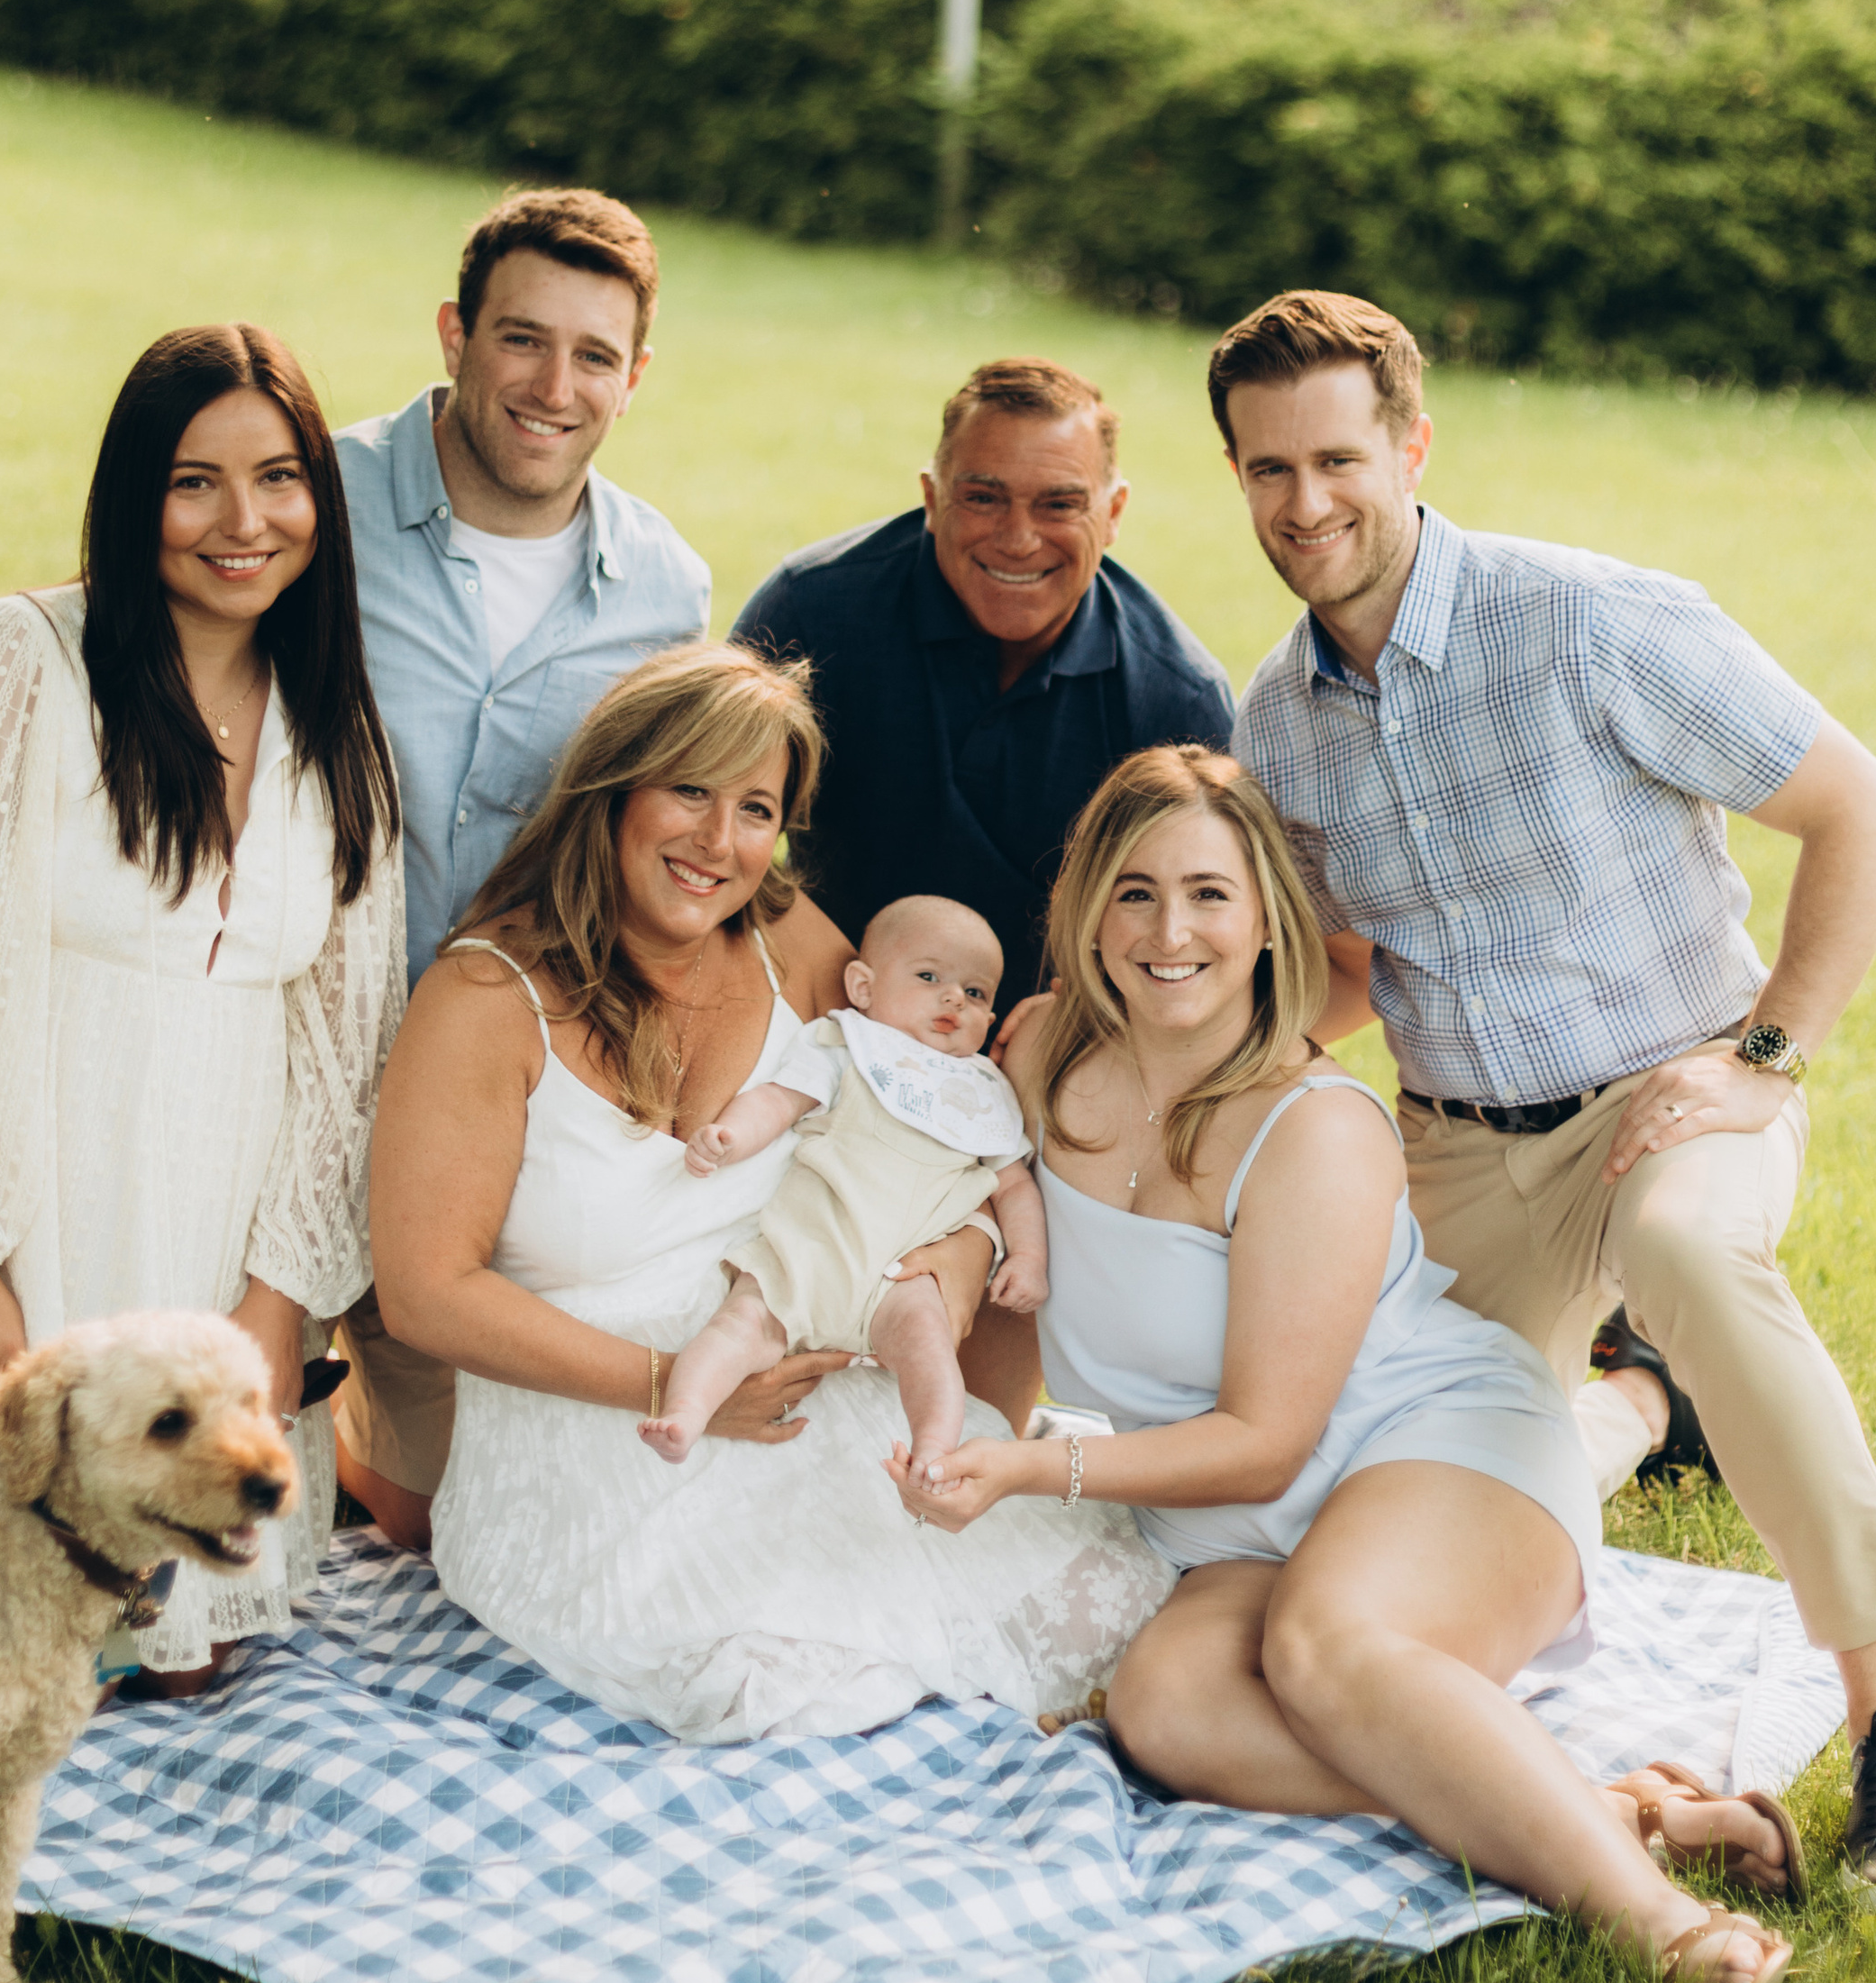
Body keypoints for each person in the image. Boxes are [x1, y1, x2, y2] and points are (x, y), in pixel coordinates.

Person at [1212, 287, 1876, 1910]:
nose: (1306, 504)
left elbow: (1865, 811)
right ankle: (1645, 1406)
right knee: (1389, 1467)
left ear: (1413, 445)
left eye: (1339, 458)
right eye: (1267, 470)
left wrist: (1761, 1060)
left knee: (1692, 1256)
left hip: (1666, 1108)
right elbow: (1349, 977)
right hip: (1457, 1152)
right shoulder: (1273, 722)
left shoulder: (1585, 621)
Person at [906, 747, 1804, 1983]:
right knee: (1167, 1709)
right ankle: (1609, 1810)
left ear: (1269, 916)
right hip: (1227, 1526)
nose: (1170, 934)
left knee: (1327, 1644)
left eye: (1210, 895)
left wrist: (1035, 1476)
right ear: (1087, 908)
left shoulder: (1315, 1124)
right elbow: (1019, 1302)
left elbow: (1266, 1438)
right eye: (1136, 893)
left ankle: (1673, 1930)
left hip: (1427, 1448)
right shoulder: (1039, 1054)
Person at [365, 641, 1171, 1742]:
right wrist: (670, 1382)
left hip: (819, 1388)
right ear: (611, 791)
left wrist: (963, 1254)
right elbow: (426, 1293)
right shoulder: (483, 994)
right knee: (778, 1685)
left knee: (1097, 1602)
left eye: (757, 809)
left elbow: (934, 1121)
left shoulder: (791, 944)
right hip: (602, 1434)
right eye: (687, 791)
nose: (718, 842)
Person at [0, 325, 405, 1685]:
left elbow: (346, 1043)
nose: (244, 523)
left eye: (280, 478)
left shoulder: (337, 730)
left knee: (181, 1662)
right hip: (28, 1191)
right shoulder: (10, 667)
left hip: (210, 1225)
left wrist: (283, 1291)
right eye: (195, 483)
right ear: (134, 496)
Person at [331, 186, 710, 1542]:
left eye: (595, 356)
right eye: (521, 341)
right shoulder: (320, 506)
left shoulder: (667, 588)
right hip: (288, 1044)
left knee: (442, 1524)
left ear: (635, 377)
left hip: (489, 1094)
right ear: (453, 334)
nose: (555, 387)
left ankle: (363, 1451)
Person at [729, 358, 1232, 1014]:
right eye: (983, 497)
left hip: (1047, 1049)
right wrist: (828, 988)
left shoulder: (1178, 699)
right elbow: (704, 828)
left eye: (1060, 504)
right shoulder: (810, 612)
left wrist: (1073, 1032)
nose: (1019, 539)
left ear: (1113, 514)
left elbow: (1208, 947)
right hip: (818, 1005)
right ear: (933, 499)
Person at [642, 894, 1048, 1473]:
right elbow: (779, 1102)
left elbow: (1014, 1188)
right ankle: (685, 1413)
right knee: (740, 1326)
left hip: (907, 1281)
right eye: (929, 976)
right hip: (807, 1257)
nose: (954, 997)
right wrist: (729, 1137)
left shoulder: (985, 1089)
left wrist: (1028, 1256)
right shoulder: (847, 1046)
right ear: (863, 987)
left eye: (976, 992)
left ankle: (933, 1451)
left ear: (988, 1018)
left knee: (931, 1354)